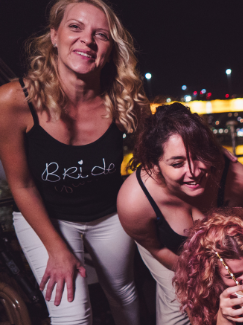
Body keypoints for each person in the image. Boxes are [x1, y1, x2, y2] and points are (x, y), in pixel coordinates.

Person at [0, 0, 146, 323]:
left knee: (124, 295)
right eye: (75, 27)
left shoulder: (123, 98)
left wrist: (207, 151)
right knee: (72, 314)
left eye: (101, 34)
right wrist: (56, 248)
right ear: (54, 36)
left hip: (109, 215)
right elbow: (21, 184)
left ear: (110, 49)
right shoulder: (14, 101)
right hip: (46, 217)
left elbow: (162, 143)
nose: (87, 40)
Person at [117, 103, 243, 325]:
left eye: (199, 156)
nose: (193, 173)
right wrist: (199, 280)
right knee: (180, 302)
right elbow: (157, 248)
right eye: (177, 163)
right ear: (154, 164)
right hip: (169, 251)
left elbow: (238, 241)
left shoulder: (235, 179)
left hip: (220, 252)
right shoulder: (134, 201)